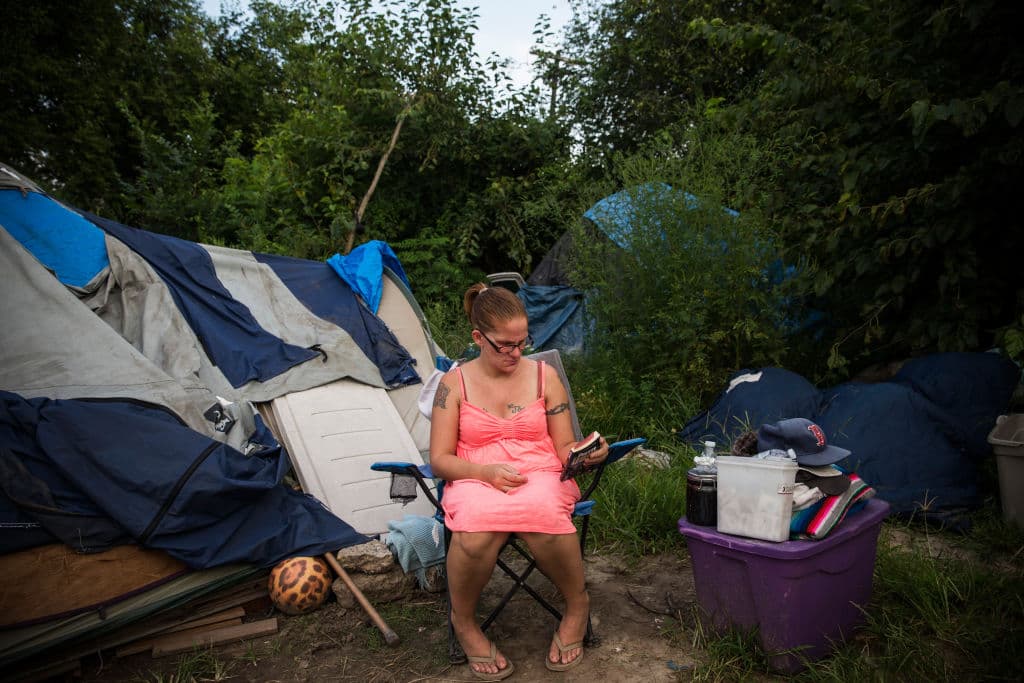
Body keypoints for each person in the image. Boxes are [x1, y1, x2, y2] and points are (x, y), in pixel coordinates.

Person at [429, 283, 609, 681]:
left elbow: (564, 446)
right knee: (474, 532)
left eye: (522, 343)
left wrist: (588, 451)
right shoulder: (453, 385)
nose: (516, 353)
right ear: (478, 338)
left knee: (542, 512)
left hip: (539, 472)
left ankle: (577, 606)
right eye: (505, 345)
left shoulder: (545, 378)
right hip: (475, 477)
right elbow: (440, 460)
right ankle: (465, 623)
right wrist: (485, 473)